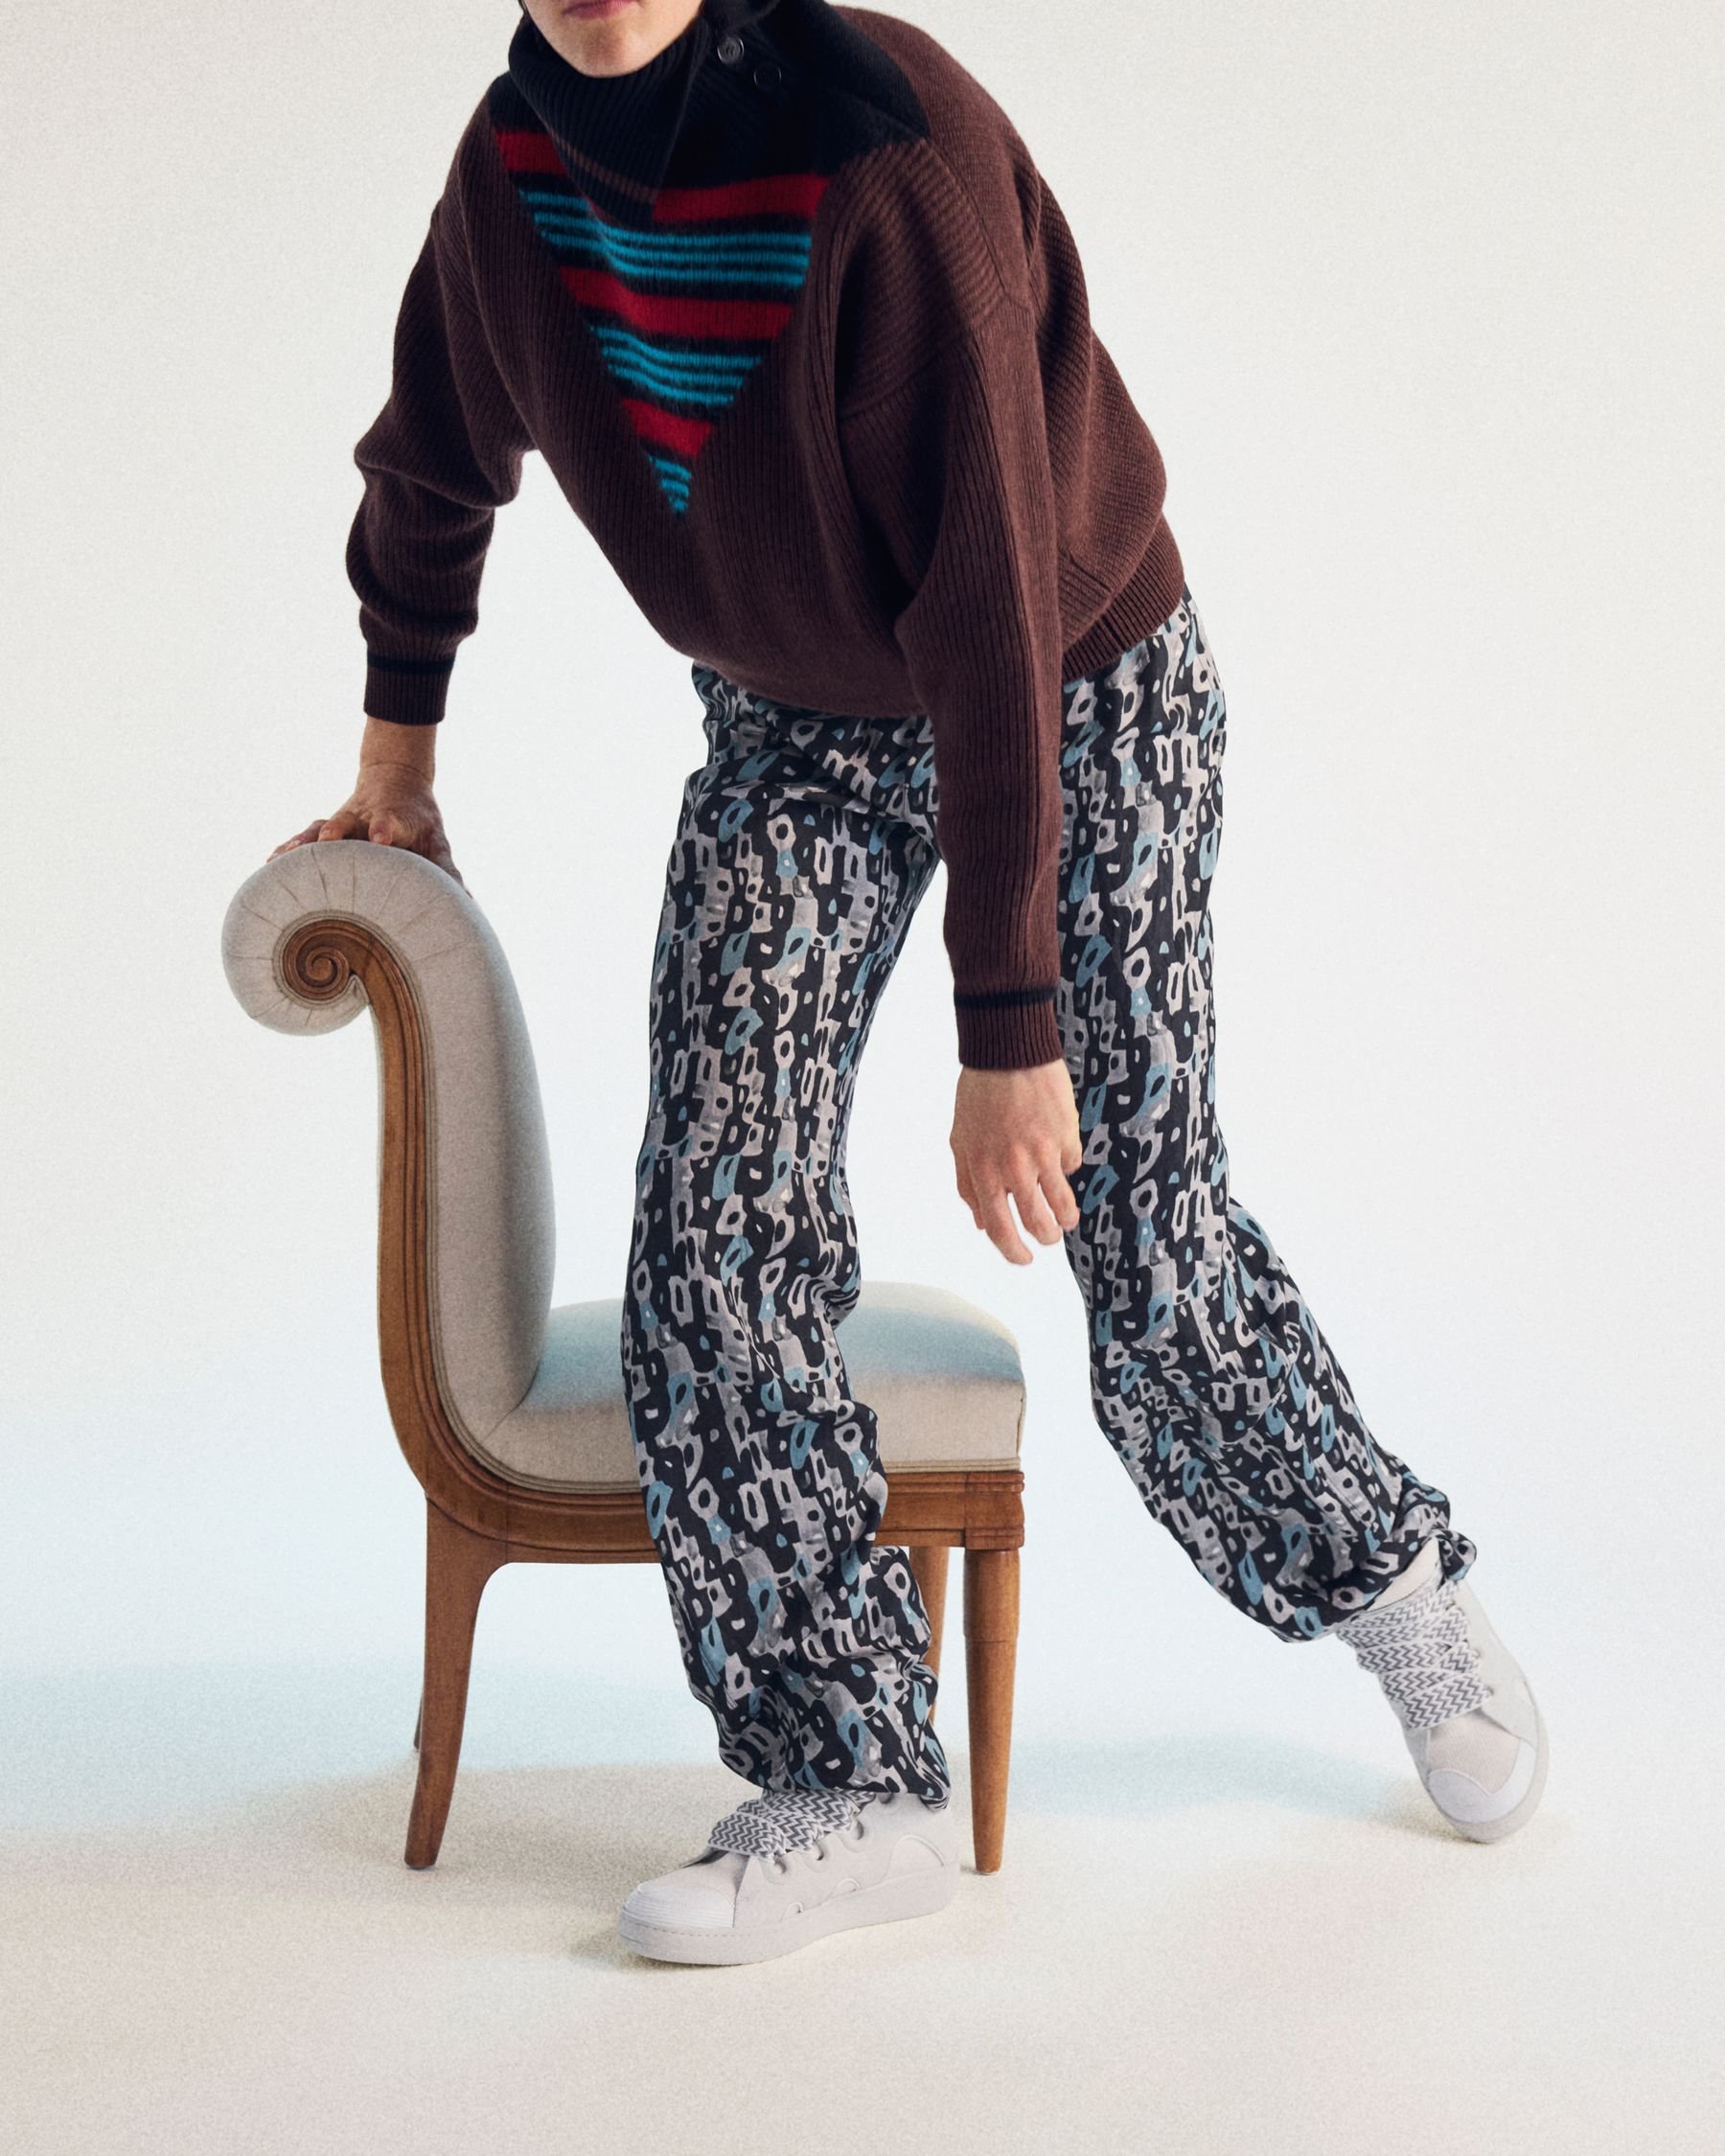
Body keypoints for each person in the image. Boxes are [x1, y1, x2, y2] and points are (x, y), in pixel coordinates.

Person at [269, 0, 1548, 1967]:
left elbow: (990, 599)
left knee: (1144, 1228)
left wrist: (1006, 1027)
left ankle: (1399, 1589)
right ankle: (847, 1778)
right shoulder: (511, 174)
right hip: (791, 733)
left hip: (1078, 686)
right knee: (714, 1236)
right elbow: (433, 462)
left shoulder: (883, 152)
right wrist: (395, 764)